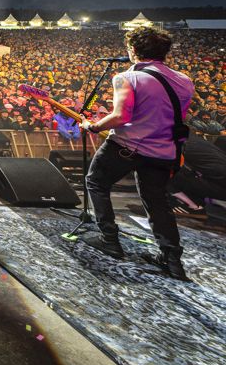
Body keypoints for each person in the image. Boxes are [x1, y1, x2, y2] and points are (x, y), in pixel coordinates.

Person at [80, 27, 194, 280]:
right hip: (164, 150)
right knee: (157, 201)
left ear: (133, 50)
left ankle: (109, 239)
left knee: (96, 182)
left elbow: (122, 116)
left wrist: (93, 126)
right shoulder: (184, 80)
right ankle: (172, 259)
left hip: (127, 146)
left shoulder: (127, 77)